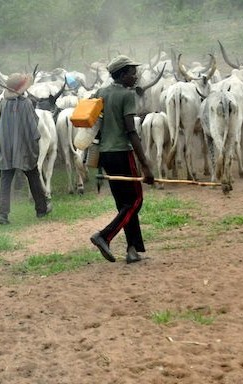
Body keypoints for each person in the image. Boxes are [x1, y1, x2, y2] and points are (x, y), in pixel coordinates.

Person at [89, 55, 155, 264]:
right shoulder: (127, 95)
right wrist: (145, 165)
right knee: (135, 200)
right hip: (121, 153)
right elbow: (131, 131)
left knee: (123, 204)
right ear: (123, 74)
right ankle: (104, 235)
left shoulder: (101, 92)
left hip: (106, 155)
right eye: (132, 72)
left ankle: (132, 250)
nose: (135, 76)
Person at [0, 72, 51, 225]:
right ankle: (41, 209)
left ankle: (3, 215)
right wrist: (35, 143)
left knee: (5, 181)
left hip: (6, 149)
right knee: (33, 176)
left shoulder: (2, 104)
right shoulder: (26, 104)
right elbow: (33, 126)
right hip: (24, 148)